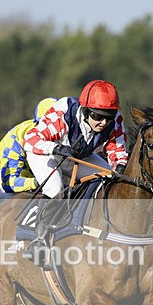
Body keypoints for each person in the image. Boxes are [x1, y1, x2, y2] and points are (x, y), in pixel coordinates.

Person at [22, 80, 129, 248]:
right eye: (97, 116)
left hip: (77, 155)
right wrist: (56, 148)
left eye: (108, 117)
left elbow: (118, 151)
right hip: (44, 153)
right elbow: (29, 140)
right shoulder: (64, 112)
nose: (103, 122)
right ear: (85, 110)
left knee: (109, 178)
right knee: (55, 188)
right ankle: (39, 238)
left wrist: (120, 166)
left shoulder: (115, 122)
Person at [0, 97, 57, 199]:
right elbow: (9, 183)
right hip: (3, 180)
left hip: (32, 179)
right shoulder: (18, 138)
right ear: (37, 123)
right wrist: (37, 182)